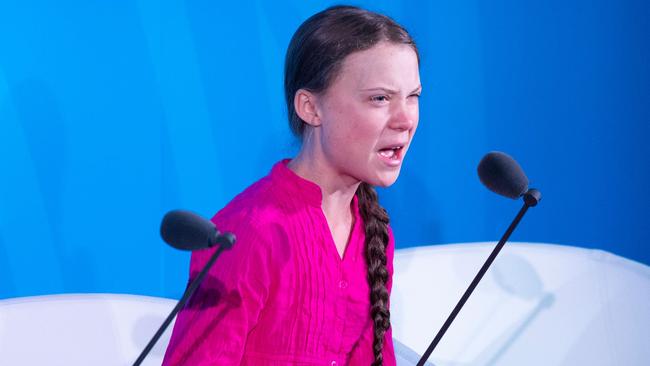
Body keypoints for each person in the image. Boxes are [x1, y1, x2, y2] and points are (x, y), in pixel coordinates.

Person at [162, 5, 420, 365]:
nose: (406, 119)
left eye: (413, 97)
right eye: (380, 98)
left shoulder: (375, 235)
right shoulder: (249, 232)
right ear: (310, 108)